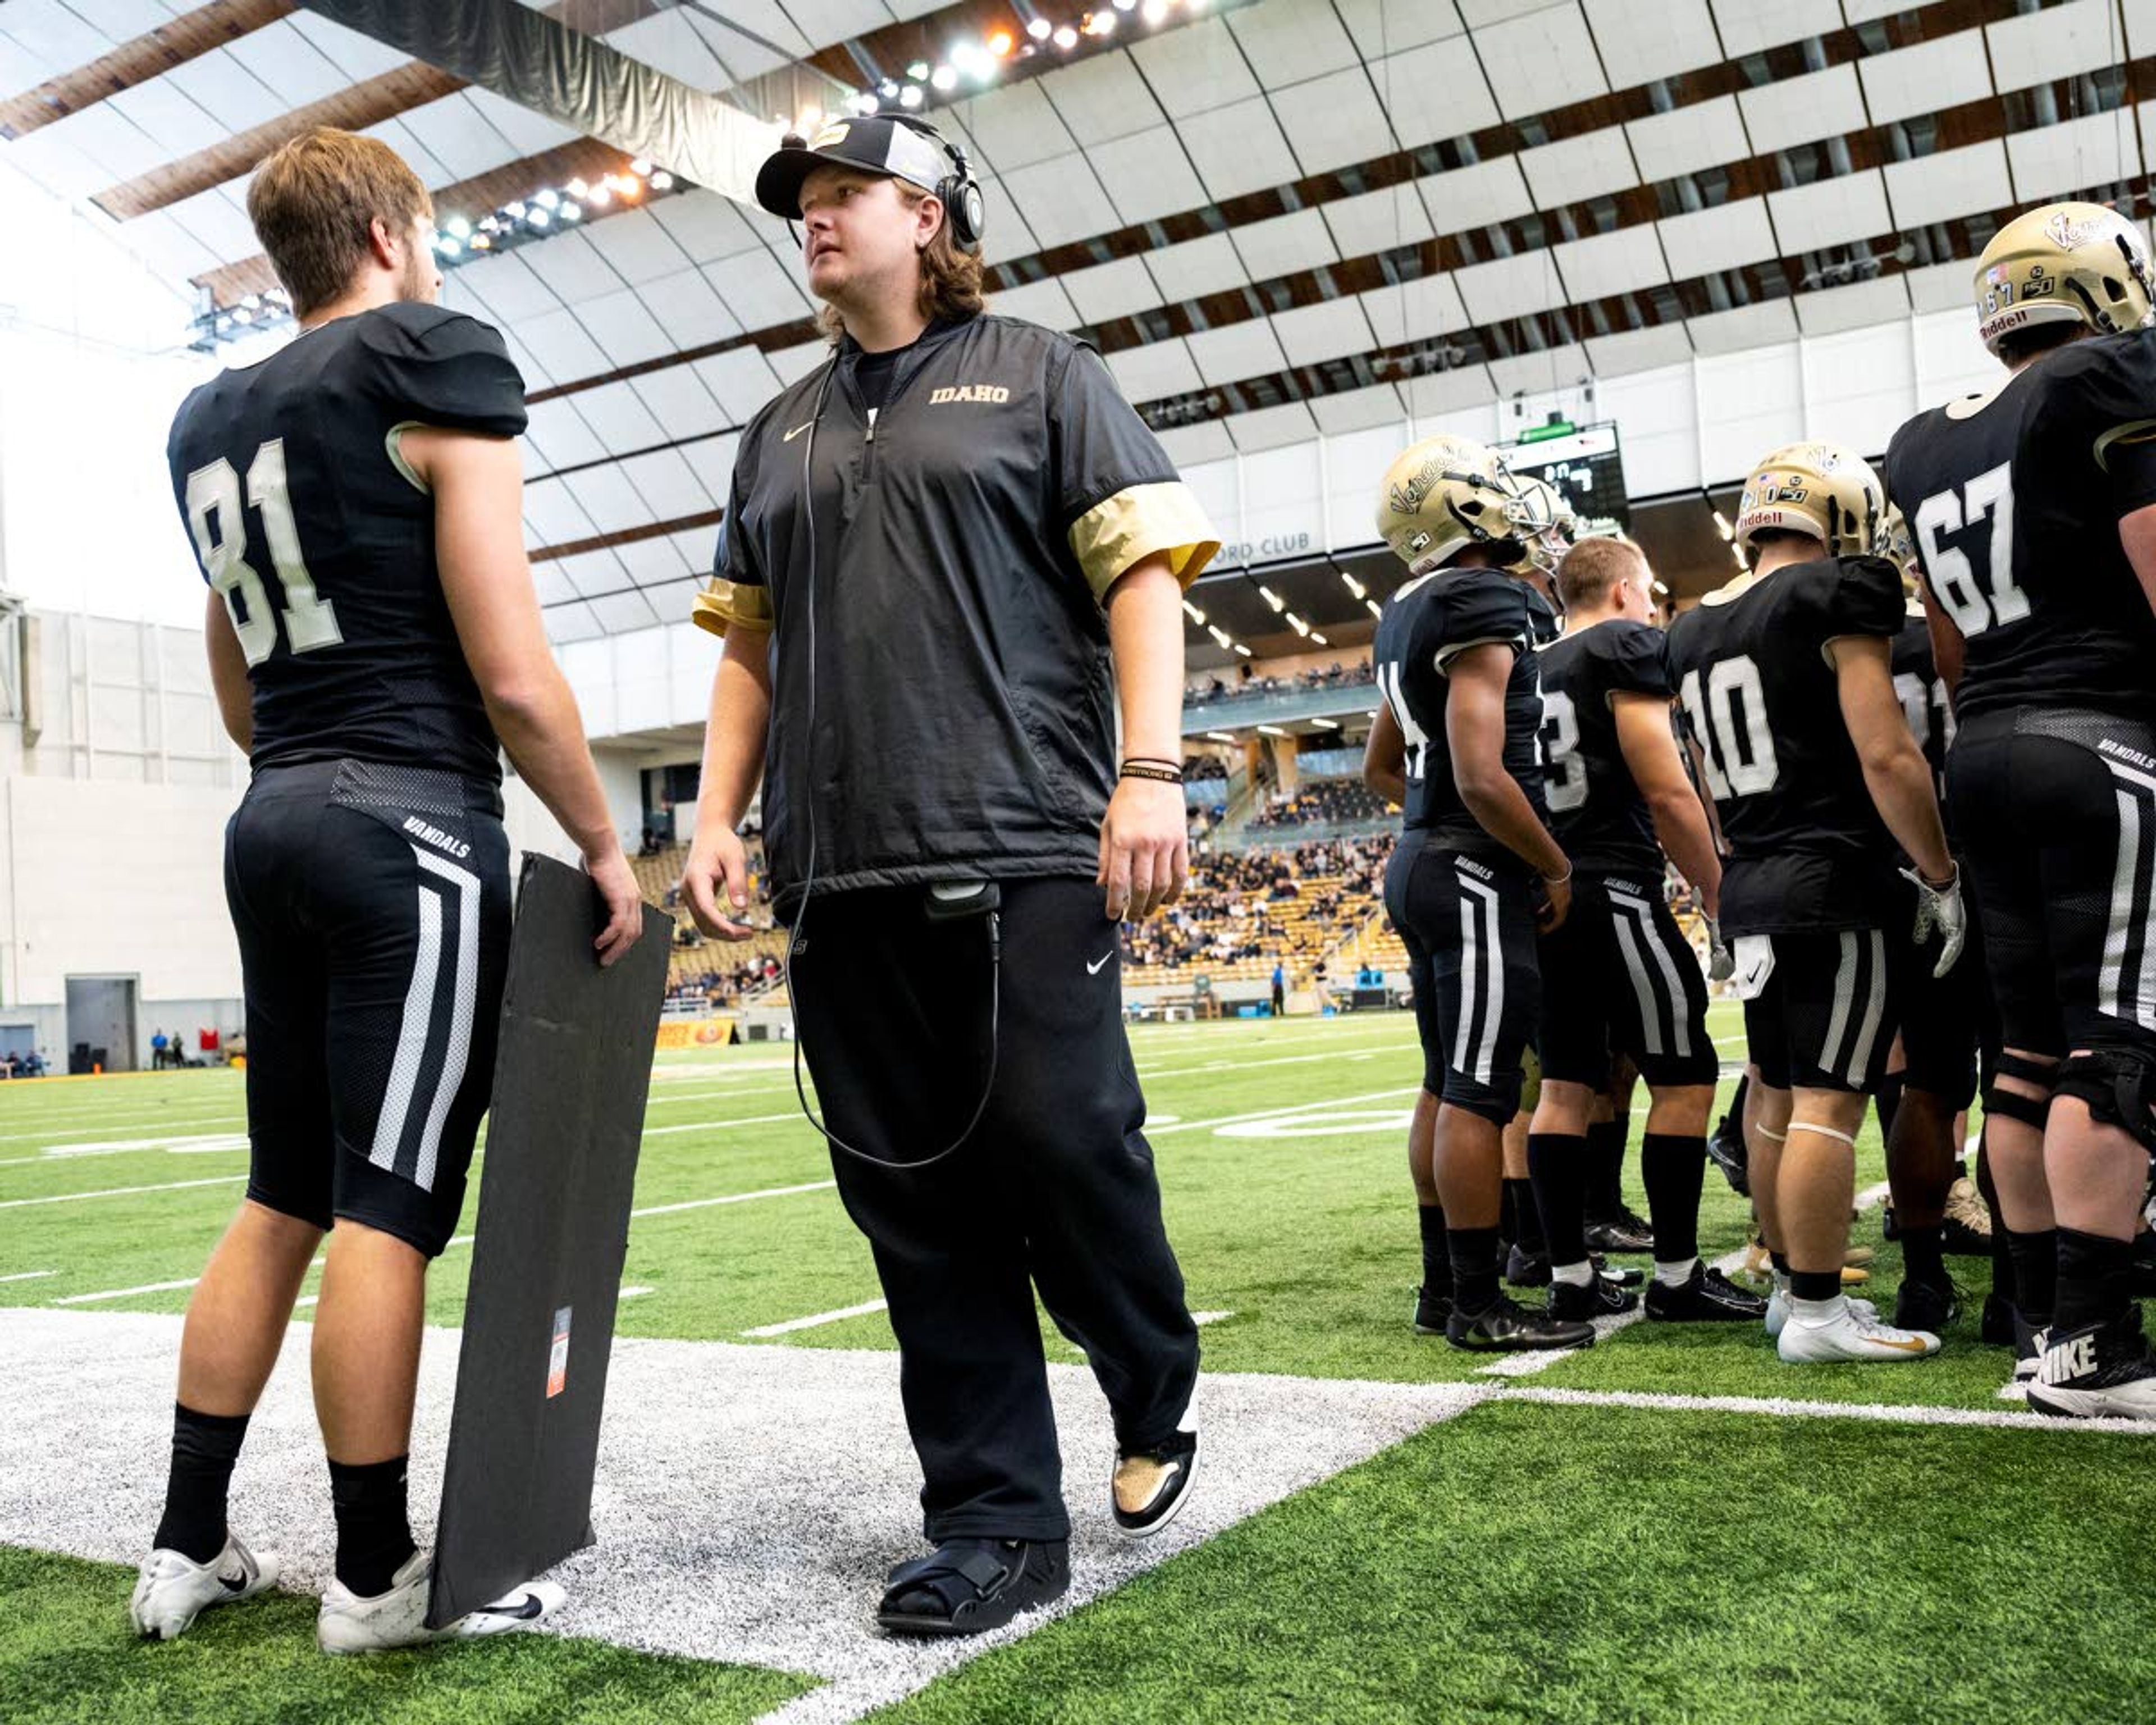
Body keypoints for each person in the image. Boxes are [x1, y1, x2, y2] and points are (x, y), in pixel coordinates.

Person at [678, 113, 1217, 1634]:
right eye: (805, 203)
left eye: (849, 194)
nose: (818, 219)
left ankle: (1149, 1369)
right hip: (838, 871)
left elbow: (1144, 581)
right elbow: (748, 648)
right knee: (912, 1204)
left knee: (1066, 1141)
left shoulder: (1045, 376)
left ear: (930, 215)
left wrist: (1152, 769)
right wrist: (717, 817)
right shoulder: (773, 429)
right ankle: (992, 1519)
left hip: (1028, 840)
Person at [140, 126, 642, 1652]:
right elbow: (513, 670)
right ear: (382, 234)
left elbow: (234, 664)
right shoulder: (431, 356)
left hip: (273, 814)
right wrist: (607, 843)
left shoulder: (211, 415)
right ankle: (373, 1575)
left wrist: (311, 748)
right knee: (389, 1207)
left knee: (281, 1193)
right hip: (407, 827)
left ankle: (187, 1545)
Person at [1884, 200, 2156, 1418]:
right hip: (2100, 739)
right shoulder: (2114, 377)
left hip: (1985, 748)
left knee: (2029, 1059)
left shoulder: (1922, 442)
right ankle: (2099, 1345)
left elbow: (1947, 645)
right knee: (2123, 1048)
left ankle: (2045, 1330)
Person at [1663, 440, 1965, 1363]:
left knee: (1777, 1097)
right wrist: (1942, 874)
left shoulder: (1689, 627)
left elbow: (1705, 779)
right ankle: (1821, 1316)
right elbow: (1886, 754)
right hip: (1833, 874)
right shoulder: (1840, 591)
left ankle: (1791, 1294)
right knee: (1829, 1107)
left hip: (1753, 876)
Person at [1363, 433, 1592, 1353]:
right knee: (1480, 1094)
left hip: (1421, 855)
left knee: (1442, 1083)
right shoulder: (1483, 596)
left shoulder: (1406, 607)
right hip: (1470, 865)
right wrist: (1553, 863)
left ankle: (1438, 1288)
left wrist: (1435, 823)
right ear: (1462, 510)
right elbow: (1484, 772)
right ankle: (1474, 1301)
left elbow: (1388, 763)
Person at [1531, 535, 1766, 1325]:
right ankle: (1675, 1277)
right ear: (1628, 591)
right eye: (1653, 587)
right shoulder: (1624, 646)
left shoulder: (1529, 662)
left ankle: (1569, 1275)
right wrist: (1719, 894)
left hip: (1552, 894)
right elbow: (1667, 791)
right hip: (1615, 888)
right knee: (1686, 1078)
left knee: (1565, 1088)